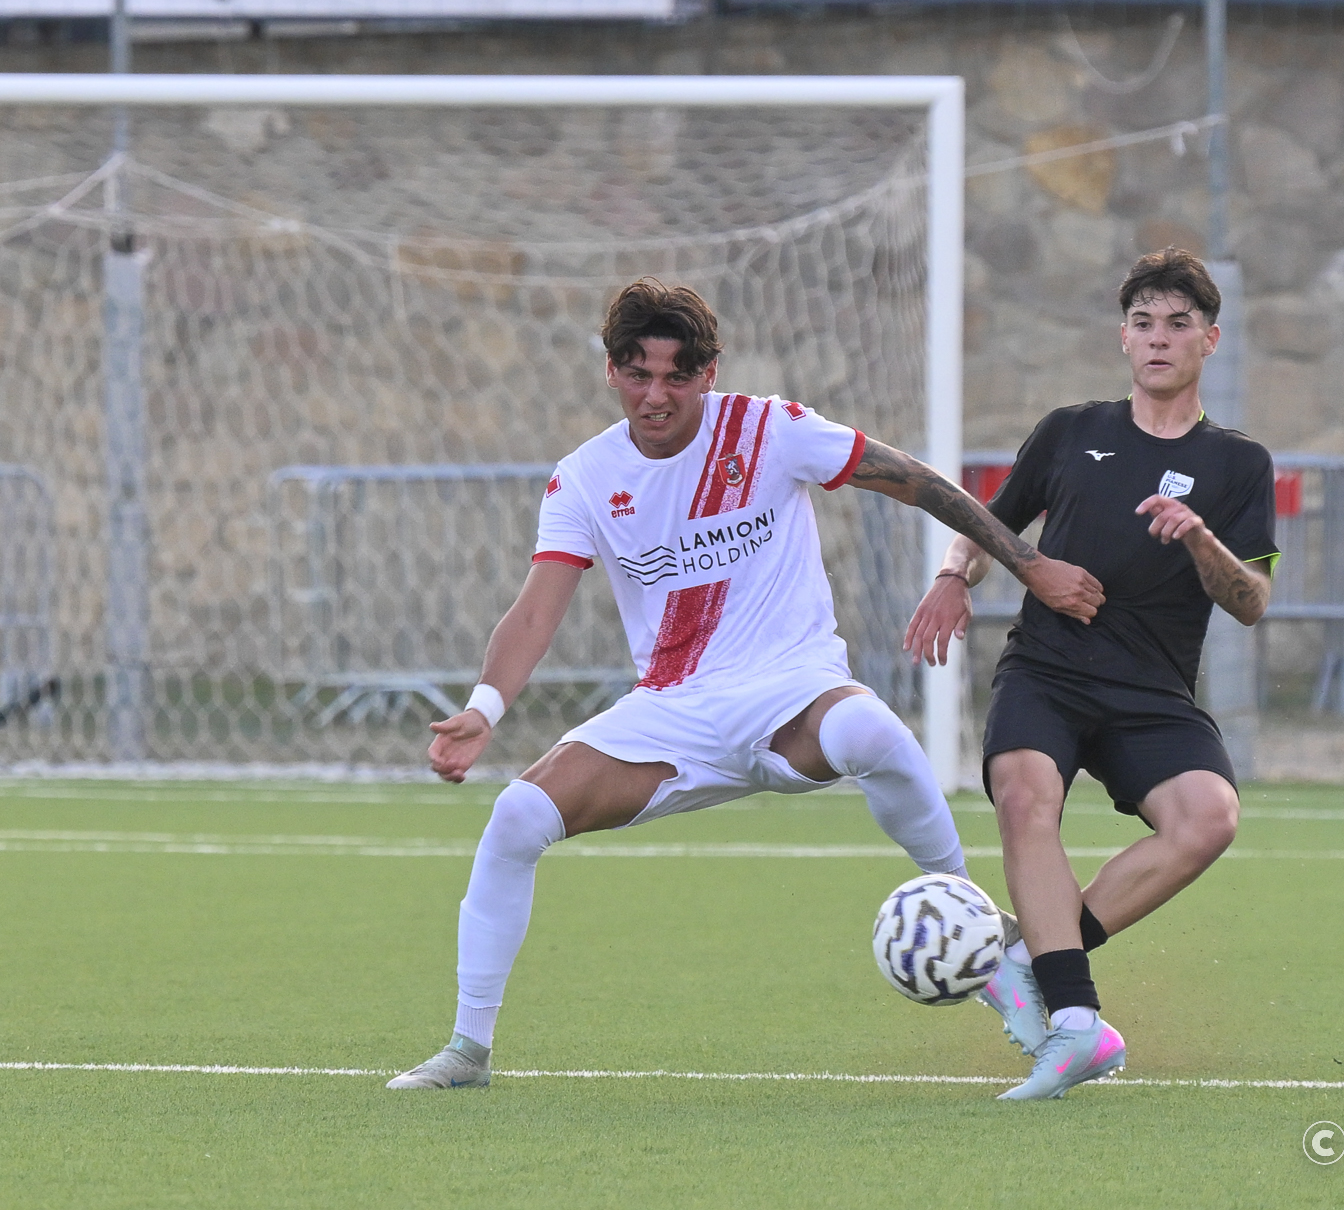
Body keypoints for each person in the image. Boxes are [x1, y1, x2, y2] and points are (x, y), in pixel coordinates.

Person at [388, 278, 1101, 1089]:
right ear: (612, 370)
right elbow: (534, 612)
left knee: (871, 731)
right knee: (516, 816)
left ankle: (976, 924)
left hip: (792, 691)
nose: (656, 396)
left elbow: (914, 481)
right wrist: (483, 709)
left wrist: (1026, 563)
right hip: (672, 713)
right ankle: (468, 1051)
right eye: (637, 374)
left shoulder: (770, 430)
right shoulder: (584, 477)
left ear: (710, 372)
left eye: (677, 376)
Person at [904, 247, 1276, 1100]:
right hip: (1048, 669)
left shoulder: (1238, 464)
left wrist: (1200, 537)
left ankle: (1028, 959)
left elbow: (1252, 601)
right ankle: (1076, 1022)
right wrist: (955, 576)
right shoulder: (1070, 431)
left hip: (1151, 689)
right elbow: (986, 526)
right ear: (1123, 338)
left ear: (1210, 340)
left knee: (1209, 818)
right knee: (1024, 794)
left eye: (1178, 324)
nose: (1159, 338)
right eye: (1143, 323)